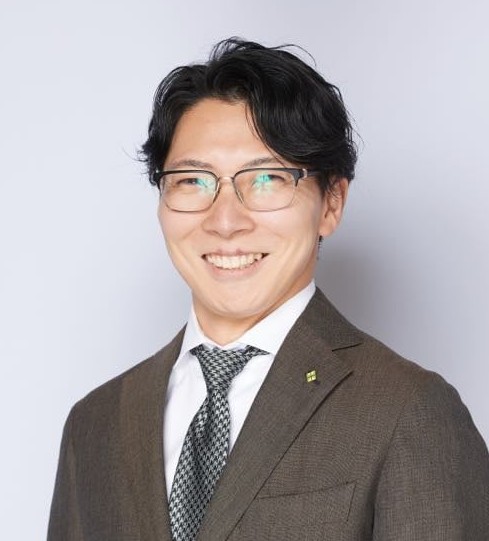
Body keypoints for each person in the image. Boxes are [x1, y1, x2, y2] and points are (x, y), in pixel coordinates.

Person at [48, 38, 489, 541]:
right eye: (193, 181)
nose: (225, 221)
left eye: (266, 179)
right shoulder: (95, 424)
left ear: (331, 203)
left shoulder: (407, 409)